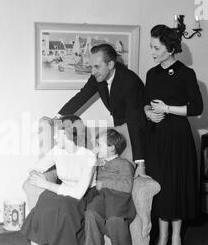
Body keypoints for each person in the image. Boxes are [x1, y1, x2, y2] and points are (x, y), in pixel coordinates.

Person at [144, 24, 203, 245]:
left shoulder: (186, 74)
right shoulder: (151, 73)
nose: (153, 52)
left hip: (178, 136)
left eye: (156, 47)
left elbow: (197, 108)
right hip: (156, 136)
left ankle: (176, 237)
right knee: (160, 184)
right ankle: (162, 236)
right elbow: (146, 103)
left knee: (175, 185)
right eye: (151, 47)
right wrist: (149, 112)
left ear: (170, 48)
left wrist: (167, 109)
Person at [21, 115, 96, 245]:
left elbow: (78, 193)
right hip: (62, 191)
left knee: (62, 209)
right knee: (45, 202)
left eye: (59, 134)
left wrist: (46, 184)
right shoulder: (57, 150)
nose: (55, 137)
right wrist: (34, 173)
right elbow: (37, 166)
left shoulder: (88, 157)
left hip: (82, 196)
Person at [54, 43, 147, 177]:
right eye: (91, 66)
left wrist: (140, 163)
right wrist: (57, 117)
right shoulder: (97, 77)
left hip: (140, 130)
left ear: (110, 65)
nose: (93, 71)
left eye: (96, 66)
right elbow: (81, 97)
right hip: (121, 126)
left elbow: (134, 121)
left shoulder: (130, 82)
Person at [74, 128, 136, 245]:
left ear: (111, 147)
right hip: (102, 199)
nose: (95, 147)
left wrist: (105, 183)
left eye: (98, 144)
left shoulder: (124, 164)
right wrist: (92, 162)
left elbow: (126, 186)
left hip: (119, 199)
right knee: (91, 213)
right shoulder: (98, 163)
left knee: (115, 220)